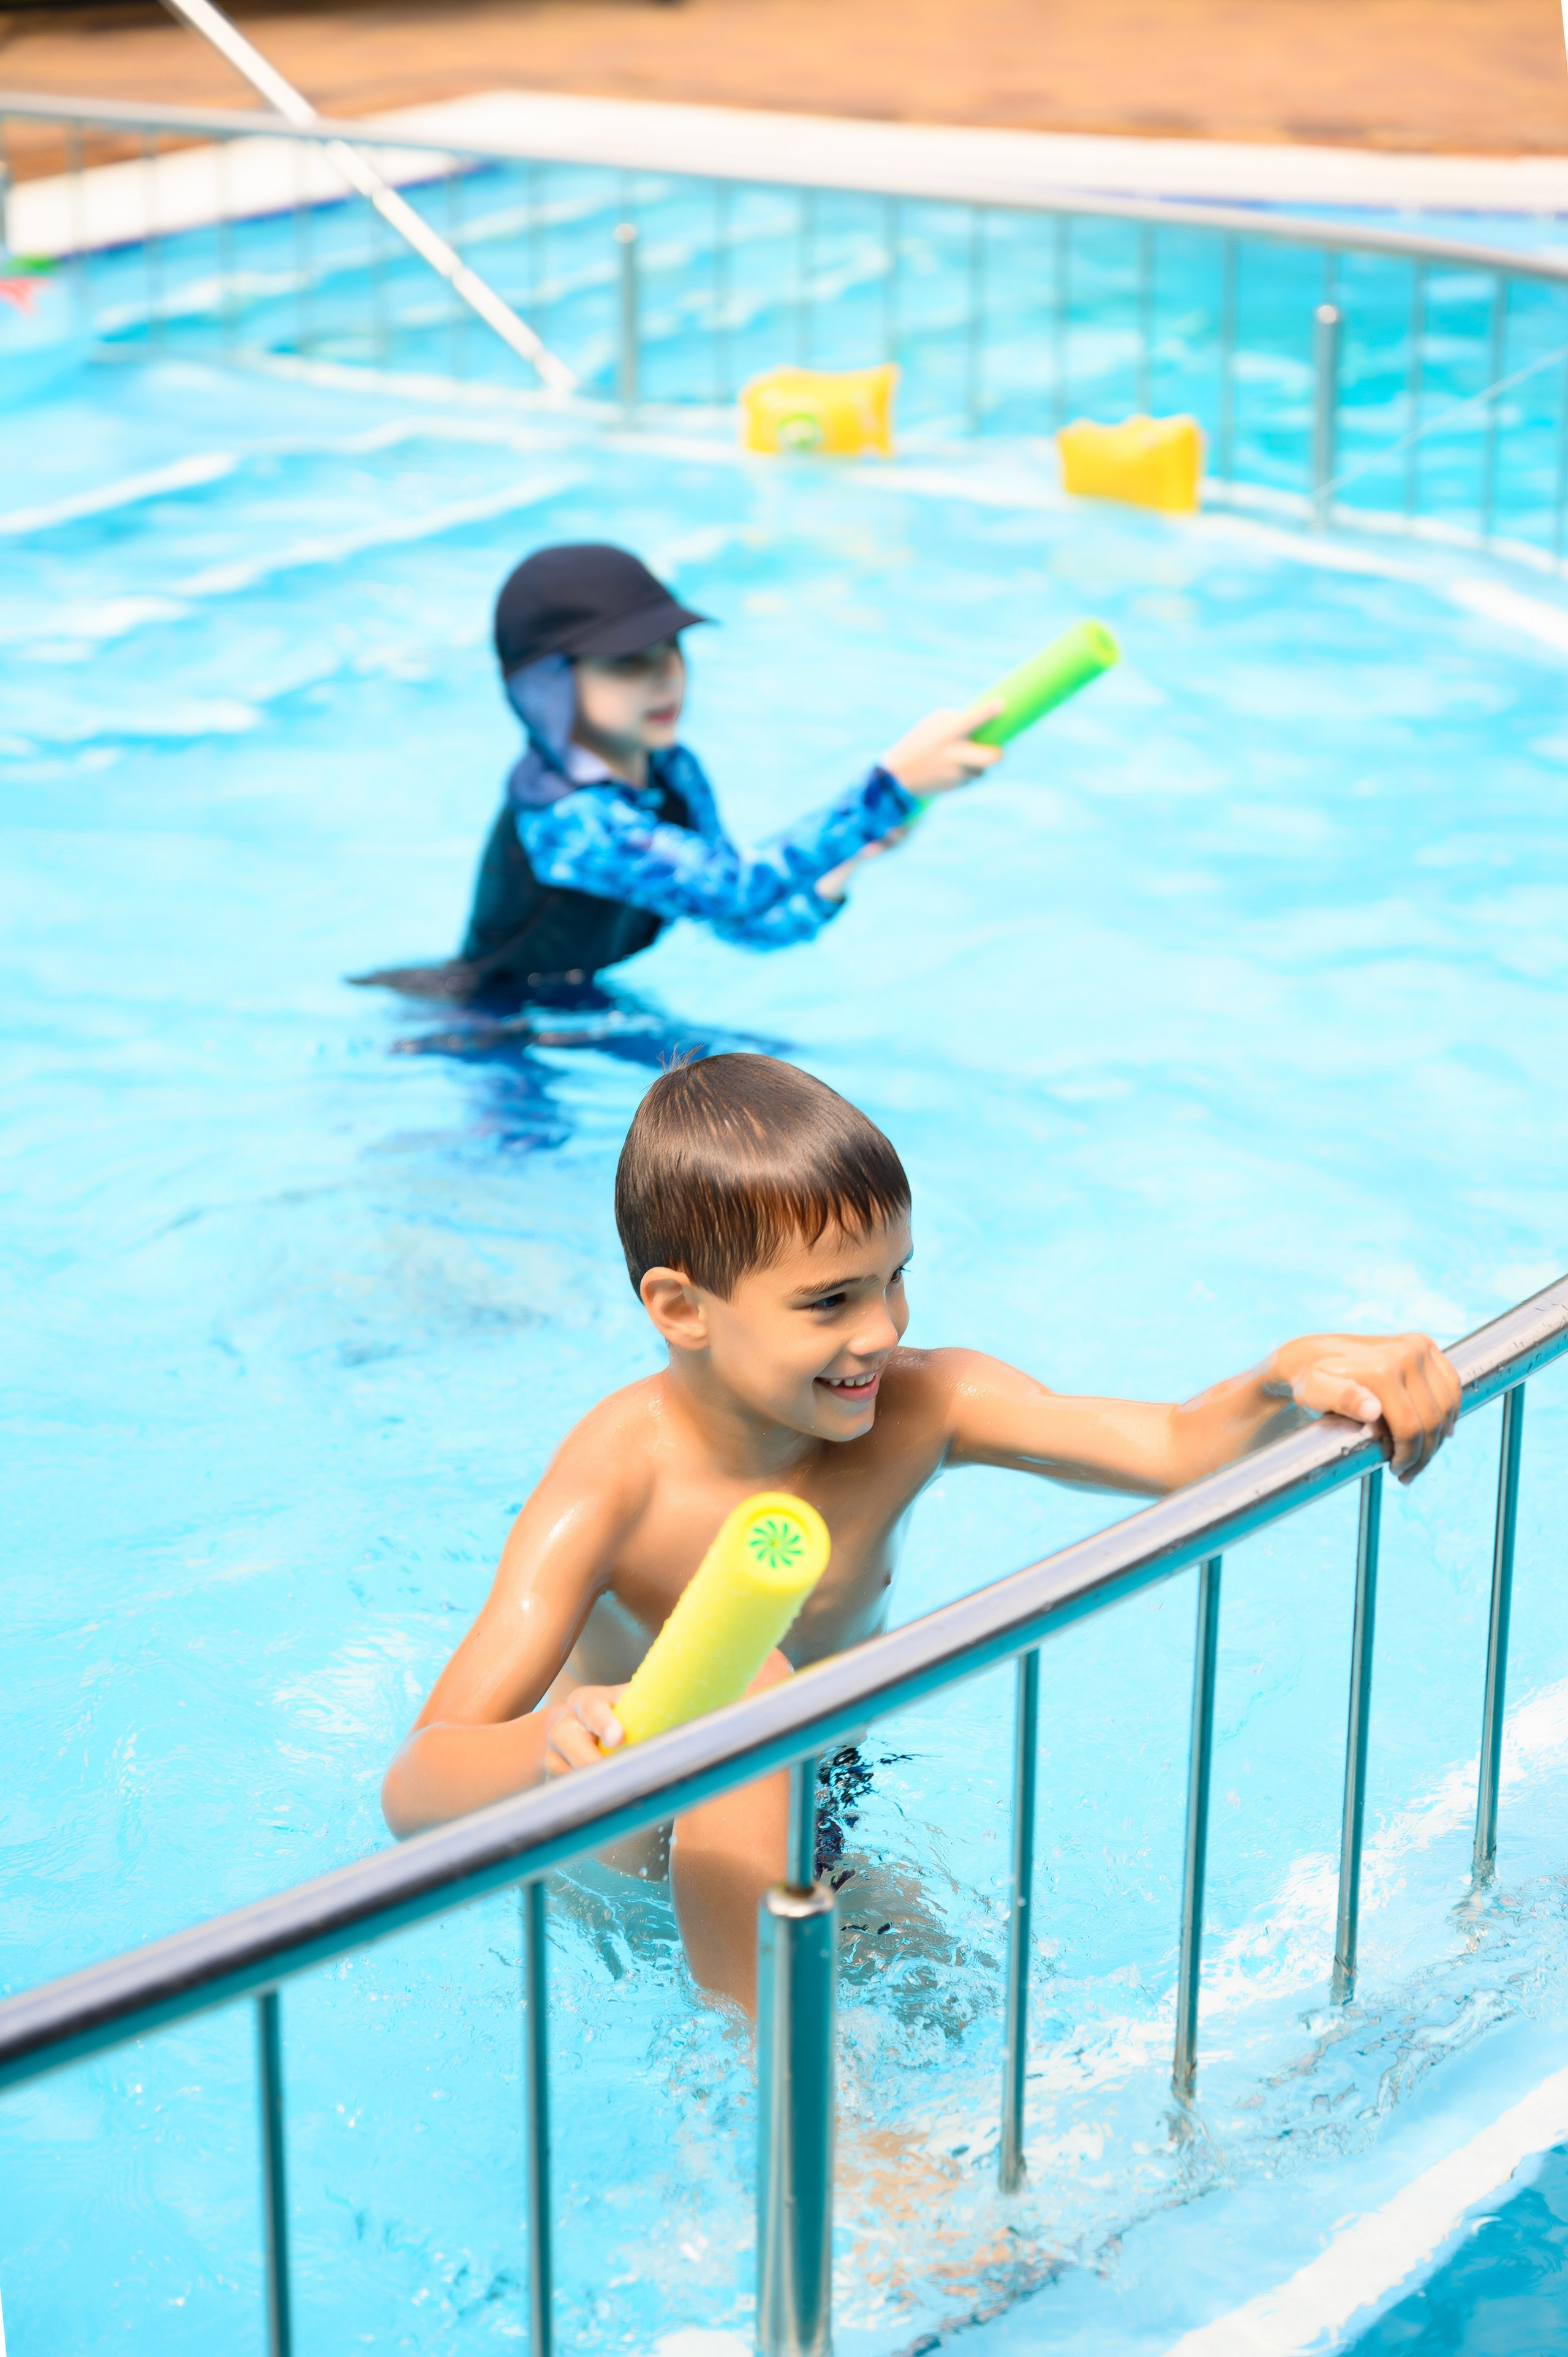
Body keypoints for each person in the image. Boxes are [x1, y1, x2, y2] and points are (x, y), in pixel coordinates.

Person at [381, 1055, 1461, 2013]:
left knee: (972, 2009)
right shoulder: (613, 1480)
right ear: (681, 1307)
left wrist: (1291, 1370)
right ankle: (792, 2119)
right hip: (626, 1842)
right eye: (831, 1300)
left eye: (897, 1277)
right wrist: (561, 1737)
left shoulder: (916, 1404)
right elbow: (417, 1785)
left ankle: (850, 2121)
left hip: (812, 1807)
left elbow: (1178, 1449)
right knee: (741, 1679)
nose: (883, 1330)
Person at [355, 542, 1001, 1006]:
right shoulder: (570, 820)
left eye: (671, 648)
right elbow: (733, 890)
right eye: (627, 660)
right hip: (490, 1030)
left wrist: (844, 865)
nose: (666, 674)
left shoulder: (671, 771)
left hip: (582, 1003)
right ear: (547, 685)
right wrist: (885, 791)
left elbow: (742, 923)